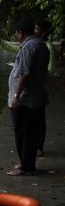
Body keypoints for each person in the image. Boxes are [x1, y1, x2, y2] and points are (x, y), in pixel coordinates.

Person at [7, 19, 50, 176]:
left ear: (21, 33)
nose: (16, 36)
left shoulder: (28, 48)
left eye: (16, 33)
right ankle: (27, 163)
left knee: (23, 133)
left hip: (25, 99)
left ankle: (26, 168)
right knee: (30, 133)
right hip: (36, 97)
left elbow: (24, 73)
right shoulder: (42, 45)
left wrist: (17, 96)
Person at [34, 20, 56, 157]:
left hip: (39, 88)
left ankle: (39, 146)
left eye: (36, 28)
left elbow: (51, 68)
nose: (34, 30)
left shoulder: (48, 47)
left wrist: (38, 75)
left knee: (39, 119)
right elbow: (15, 47)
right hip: (33, 88)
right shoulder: (32, 45)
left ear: (43, 32)